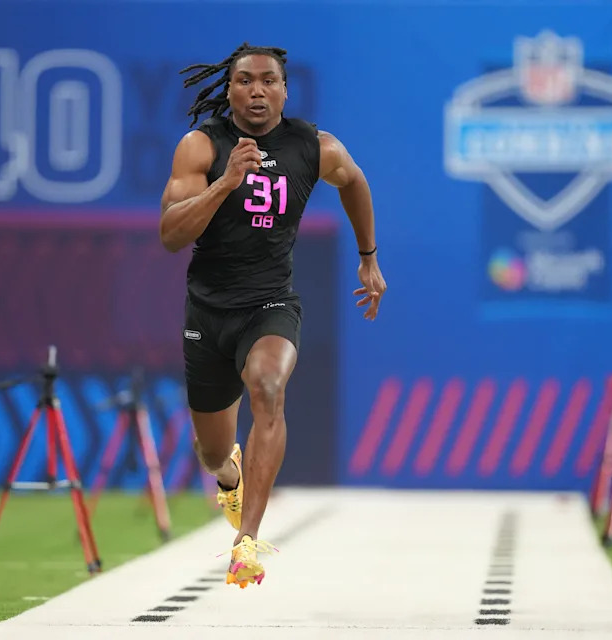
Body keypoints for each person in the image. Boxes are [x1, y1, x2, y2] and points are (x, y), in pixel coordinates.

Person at [159, 42, 387, 588]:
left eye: (268, 80)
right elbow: (171, 235)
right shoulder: (201, 146)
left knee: (267, 386)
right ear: (230, 88)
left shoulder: (315, 147)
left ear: (285, 89)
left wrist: (368, 257)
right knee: (213, 451)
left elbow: (354, 181)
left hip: (271, 303)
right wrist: (225, 183)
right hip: (208, 311)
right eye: (244, 81)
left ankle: (247, 541)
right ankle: (228, 474)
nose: (256, 90)